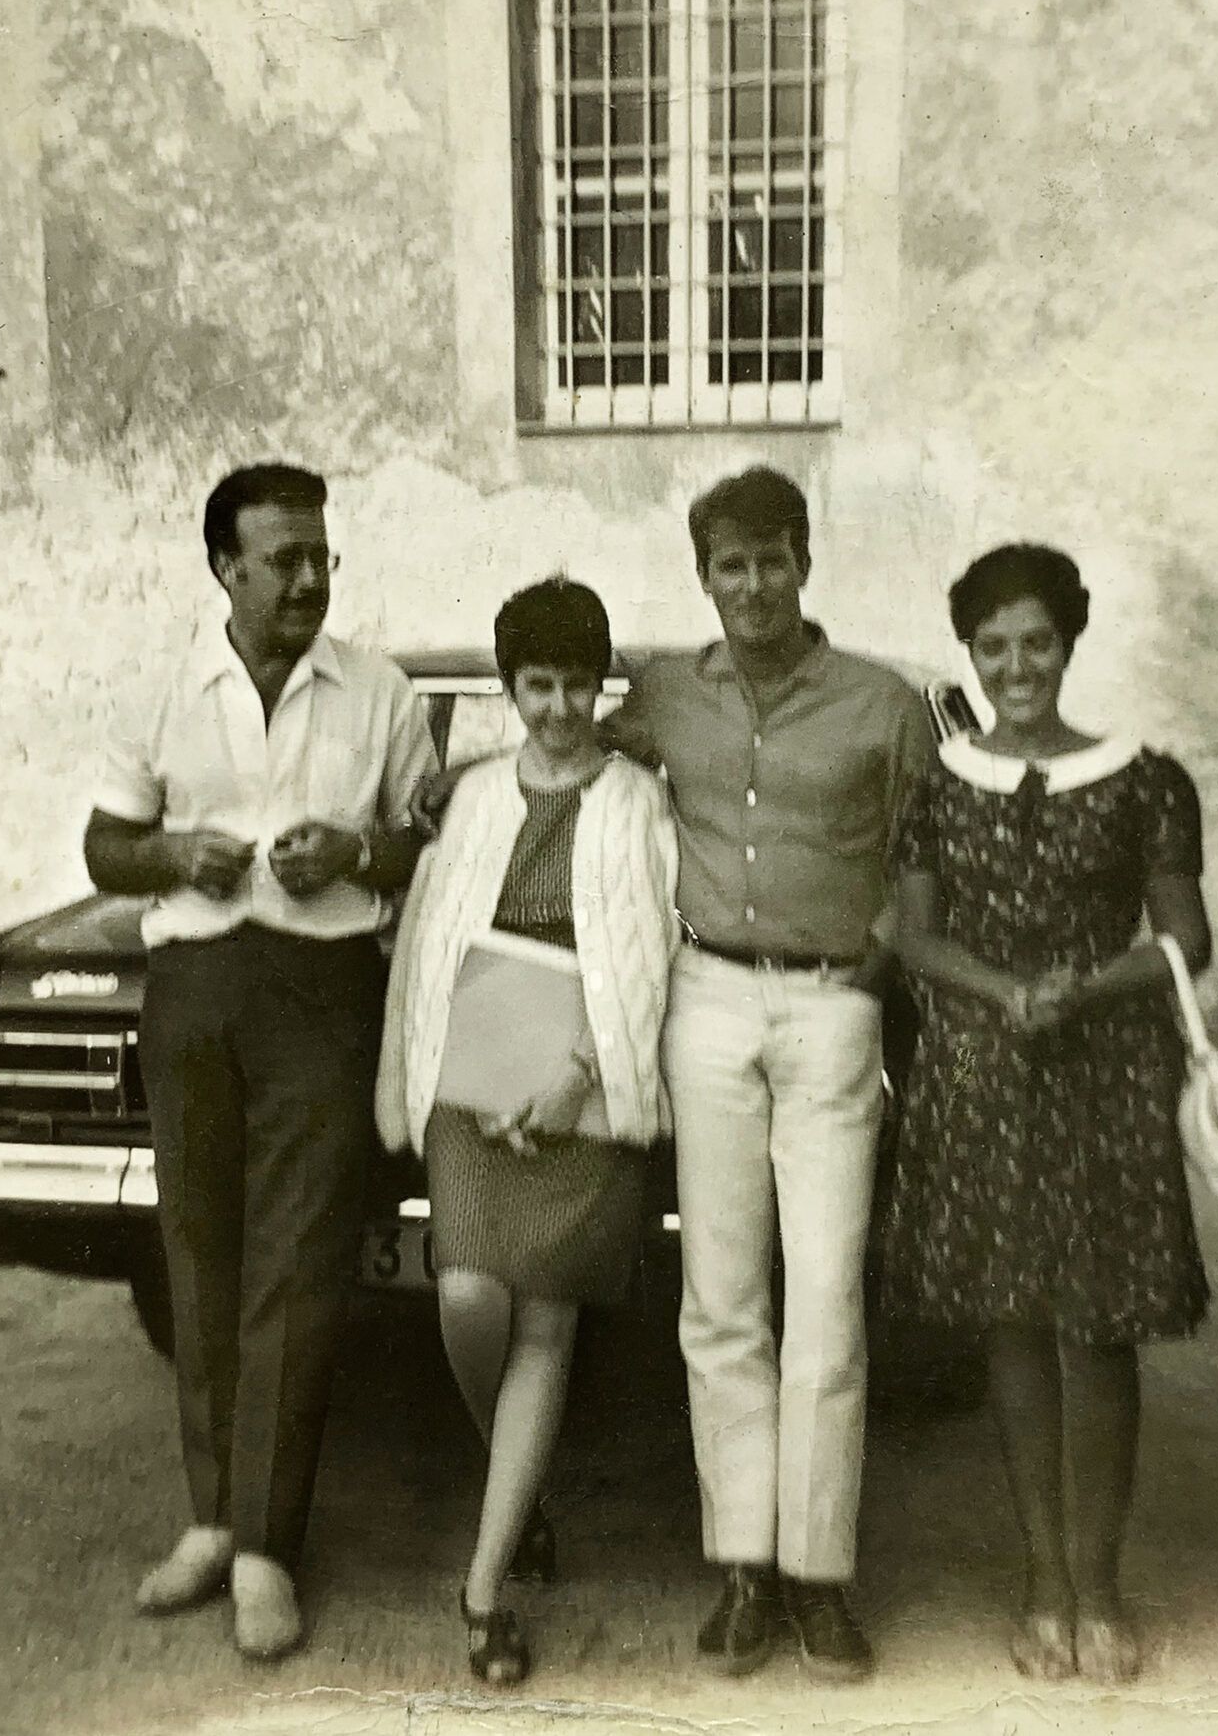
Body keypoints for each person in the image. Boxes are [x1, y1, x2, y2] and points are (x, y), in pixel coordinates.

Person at [83, 463, 436, 1662]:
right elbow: (104, 845)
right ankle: (210, 1521)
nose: (308, 579)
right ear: (225, 567)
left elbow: (423, 842)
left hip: (322, 994)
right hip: (193, 993)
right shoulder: (163, 686)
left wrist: (354, 852)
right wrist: (174, 854)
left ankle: (268, 1550)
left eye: (319, 556)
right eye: (283, 559)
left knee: (294, 1264)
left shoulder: (378, 690)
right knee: (198, 1253)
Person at [604, 467, 936, 1681]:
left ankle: (819, 1574)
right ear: (704, 575)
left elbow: (929, 848)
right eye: (729, 565)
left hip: (832, 1005)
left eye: (771, 559)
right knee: (720, 1291)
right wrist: (453, 785)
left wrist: (877, 961)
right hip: (706, 999)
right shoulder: (663, 693)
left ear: (805, 561)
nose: (752, 584)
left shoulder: (882, 702)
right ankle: (744, 1564)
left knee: (828, 1292)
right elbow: (571, 756)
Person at [881, 543, 1212, 1687]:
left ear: (1068, 643)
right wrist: (1002, 989)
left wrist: (1086, 983)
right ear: (969, 655)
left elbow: (1185, 936)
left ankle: (1101, 1583)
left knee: (1099, 1326)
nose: (1016, 666)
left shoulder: (1142, 778)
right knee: (1012, 1321)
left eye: (1035, 643)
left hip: (1103, 1068)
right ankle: (1043, 1580)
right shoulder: (939, 783)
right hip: (983, 1066)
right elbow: (914, 935)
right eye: (993, 647)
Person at [376, 577, 680, 1689]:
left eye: (577, 685)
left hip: (583, 1092)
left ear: (602, 686)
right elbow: (426, 941)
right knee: (466, 1296)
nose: (558, 708)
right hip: (473, 1081)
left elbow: (655, 955)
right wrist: (418, 1076)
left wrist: (576, 1076)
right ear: (510, 688)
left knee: (544, 1324)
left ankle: (485, 1582)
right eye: (537, 685)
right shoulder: (472, 798)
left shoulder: (638, 801)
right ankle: (524, 1483)